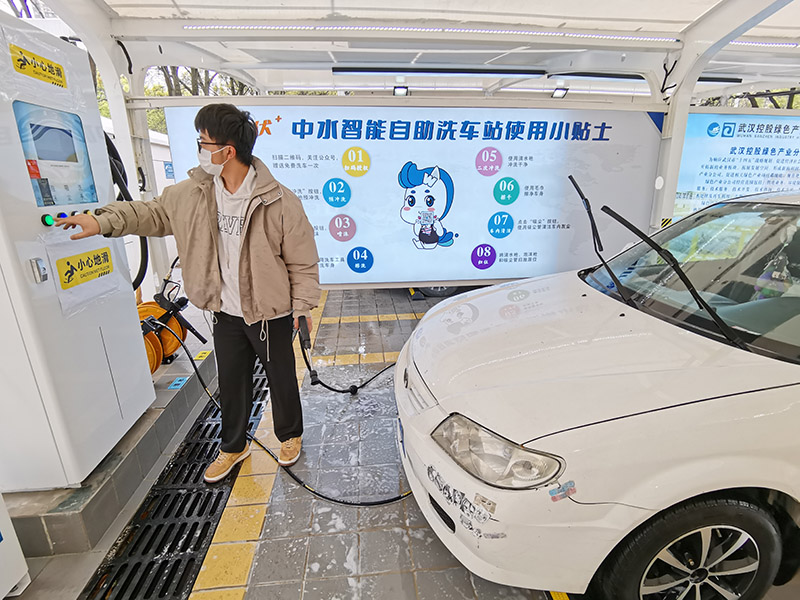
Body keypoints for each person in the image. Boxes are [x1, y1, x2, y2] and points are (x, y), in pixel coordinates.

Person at [56, 103, 320, 483]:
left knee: (280, 376)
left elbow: (302, 260)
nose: (200, 149)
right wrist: (101, 221)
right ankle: (233, 446)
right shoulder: (192, 194)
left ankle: (289, 435)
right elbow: (149, 213)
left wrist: (302, 307)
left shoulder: (279, 201)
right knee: (231, 382)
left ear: (227, 151)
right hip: (225, 312)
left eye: (203, 142)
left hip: (269, 312)